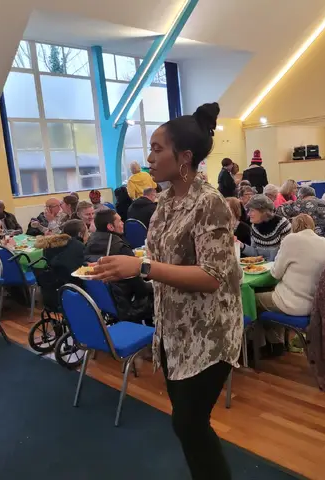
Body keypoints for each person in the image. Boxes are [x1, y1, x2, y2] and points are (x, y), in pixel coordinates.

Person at [92, 102, 242, 480]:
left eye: (158, 149)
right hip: (174, 331)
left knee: (190, 424)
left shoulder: (210, 203)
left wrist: (142, 266)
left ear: (185, 157)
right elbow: (161, 261)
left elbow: (212, 275)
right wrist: (124, 267)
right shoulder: (165, 204)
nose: (149, 157)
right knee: (185, 424)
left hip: (209, 334)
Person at [256, 214, 325, 355]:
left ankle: (261, 346)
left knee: (252, 299)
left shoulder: (291, 240)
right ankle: (276, 342)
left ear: (294, 226)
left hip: (293, 303)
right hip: (317, 304)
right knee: (273, 297)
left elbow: (275, 273)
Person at [85, 209, 153, 324]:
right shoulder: (120, 248)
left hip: (106, 303)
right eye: (120, 221)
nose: (123, 223)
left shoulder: (90, 243)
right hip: (128, 305)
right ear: (110, 227)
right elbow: (140, 288)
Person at [239, 195, 291, 261]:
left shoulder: (283, 225)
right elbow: (256, 254)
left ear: (264, 212)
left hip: (278, 268)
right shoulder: (254, 227)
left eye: (252, 210)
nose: (248, 214)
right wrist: (241, 245)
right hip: (261, 268)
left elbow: (287, 253)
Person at [35, 219, 87, 284]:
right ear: (80, 234)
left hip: (52, 284)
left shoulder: (50, 244)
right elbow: (78, 271)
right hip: (71, 285)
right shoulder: (78, 246)